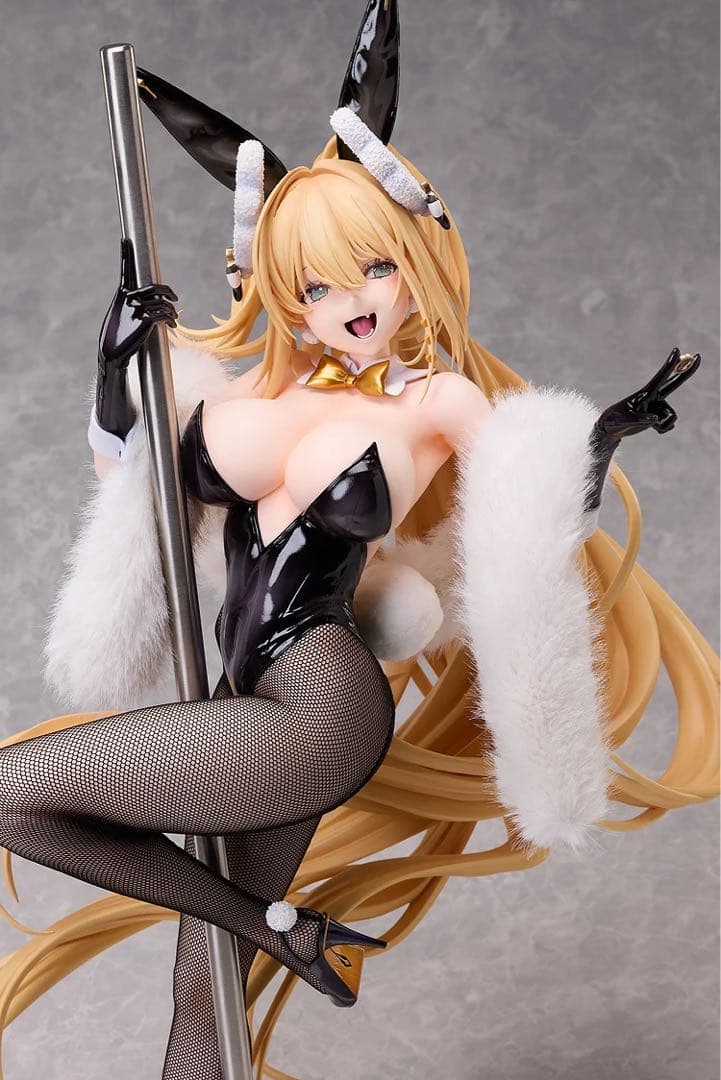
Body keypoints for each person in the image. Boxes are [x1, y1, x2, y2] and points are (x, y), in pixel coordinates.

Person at [0, 4, 717, 1078]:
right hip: (245, 700)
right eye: (318, 283)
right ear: (286, 296)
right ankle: (280, 931)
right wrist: (116, 368)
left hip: (319, 706)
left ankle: (275, 928)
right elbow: (131, 488)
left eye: (373, 267)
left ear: (411, 262)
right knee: (203, 991)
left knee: (13, 792)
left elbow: (523, 519)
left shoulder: (432, 403)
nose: (353, 300)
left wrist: (604, 436)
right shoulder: (249, 400)